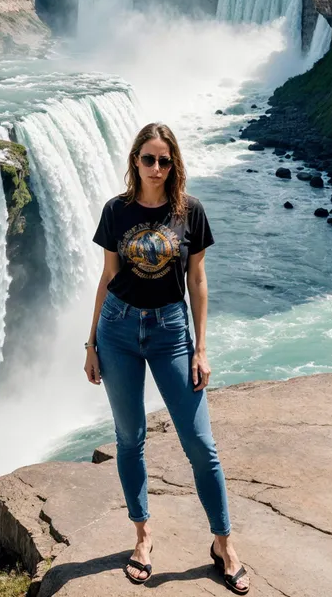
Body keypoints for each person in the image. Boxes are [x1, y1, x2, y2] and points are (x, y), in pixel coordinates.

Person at [84, 123, 250, 594]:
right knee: (130, 436)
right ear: (135, 160)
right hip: (116, 329)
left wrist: (201, 348)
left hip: (170, 331)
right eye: (148, 158)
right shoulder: (116, 211)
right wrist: (91, 343)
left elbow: (197, 281)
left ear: (173, 163)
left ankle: (223, 543)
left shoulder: (189, 211)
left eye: (164, 160)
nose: (156, 167)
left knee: (200, 444)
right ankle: (142, 535)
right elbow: (107, 277)